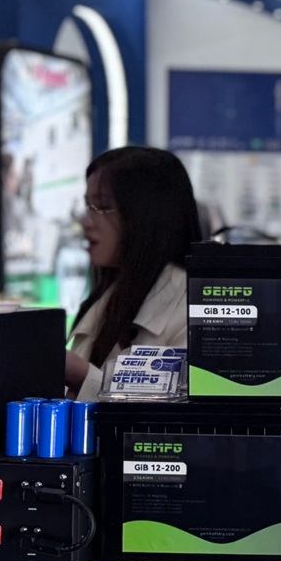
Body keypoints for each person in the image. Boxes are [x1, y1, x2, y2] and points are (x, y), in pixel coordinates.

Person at [65, 146, 199, 399]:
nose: (86, 221)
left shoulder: (194, 305)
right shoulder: (111, 294)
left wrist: (83, 377)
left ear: (148, 214)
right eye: (88, 206)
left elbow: (180, 411)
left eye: (102, 206)